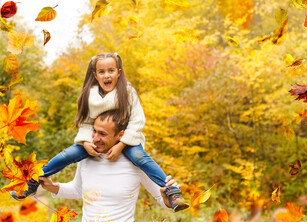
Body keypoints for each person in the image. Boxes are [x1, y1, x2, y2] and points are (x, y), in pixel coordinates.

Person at [11, 52, 188, 212]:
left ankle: (172, 192)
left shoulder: (127, 92)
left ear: (119, 72)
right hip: (95, 140)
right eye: (102, 72)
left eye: (111, 70)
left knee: (140, 158)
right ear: (95, 75)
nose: (107, 75)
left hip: (127, 139)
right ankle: (34, 180)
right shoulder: (90, 95)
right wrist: (86, 142)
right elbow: (86, 123)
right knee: (68, 154)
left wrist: (121, 146)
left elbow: (137, 121)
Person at [40, 110, 180, 222]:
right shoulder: (87, 157)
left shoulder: (137, 162)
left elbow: (163, 200)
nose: (95, 138)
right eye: (94, 131)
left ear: (121, 135)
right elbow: (78, 190)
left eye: (102, 134)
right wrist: (53, 187)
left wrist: (166, 198)